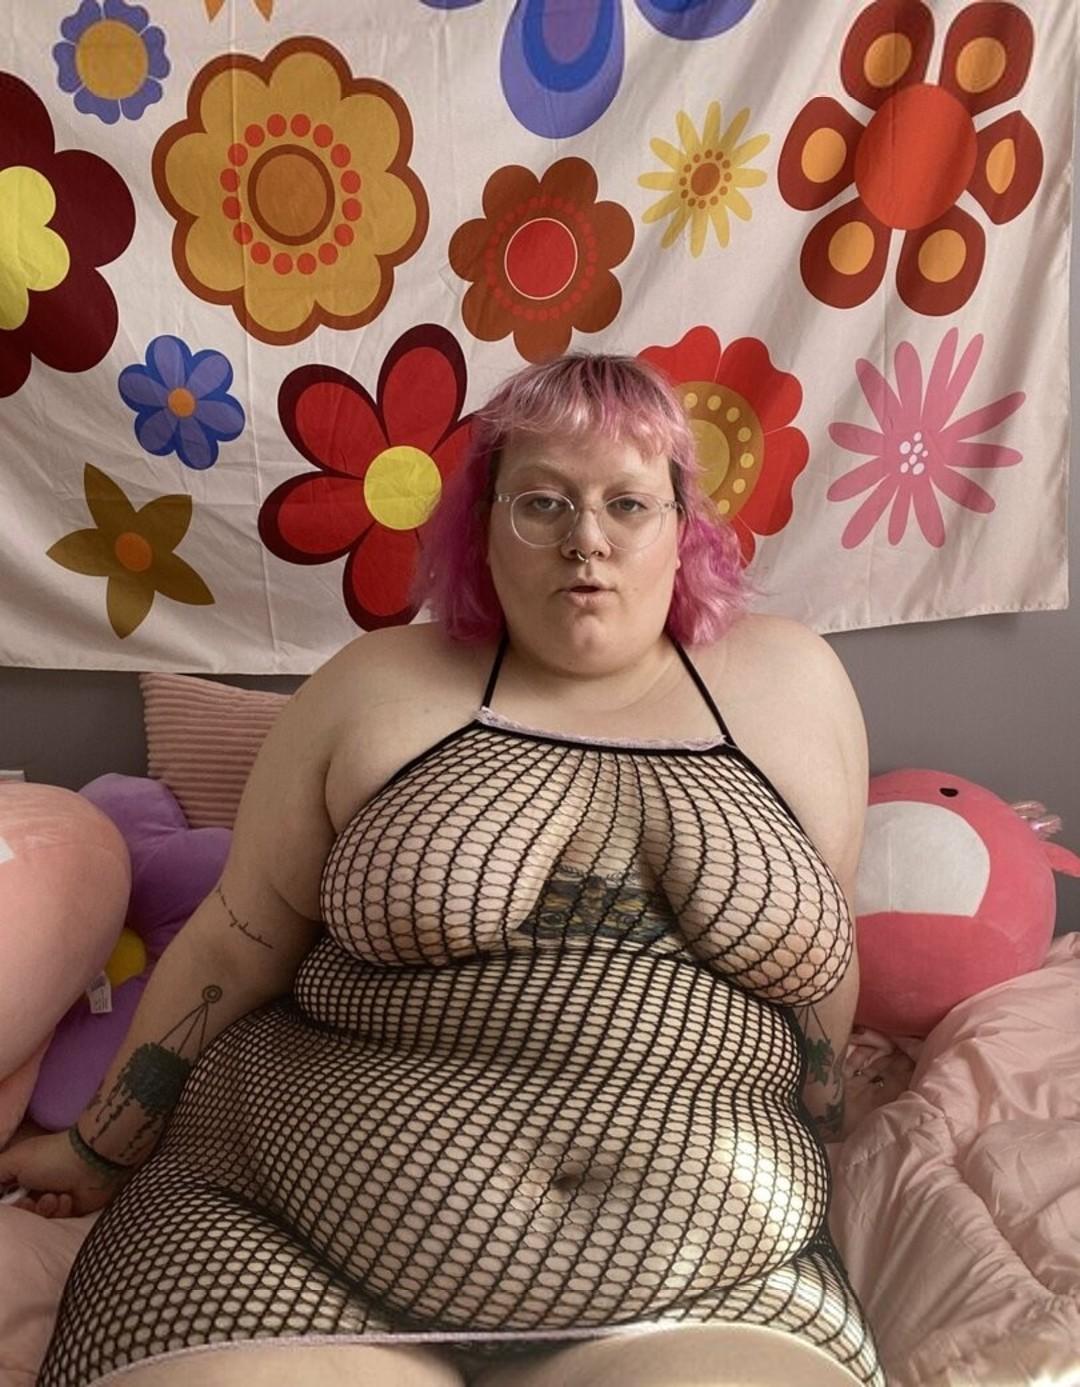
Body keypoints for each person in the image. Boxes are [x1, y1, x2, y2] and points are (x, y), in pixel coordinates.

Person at [0, 353, 882, 1387]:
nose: (586, 539)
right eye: (542, 502)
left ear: (682, 526)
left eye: (627, 503)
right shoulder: (375, 682)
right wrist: (100, 1145)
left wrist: (836, 1126)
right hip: (284, 1241)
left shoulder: (792, 683)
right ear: (483, 525)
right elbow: (237, 942)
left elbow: (823, 973)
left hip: (715, 1279)